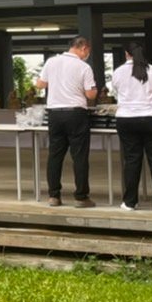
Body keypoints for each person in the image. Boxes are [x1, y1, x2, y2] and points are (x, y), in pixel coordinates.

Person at [35, 36, 98, 208]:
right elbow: (90, 94)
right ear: (83, 48)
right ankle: (81, 197)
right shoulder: (84, 67)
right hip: (76, 114)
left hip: (54, 114)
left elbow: (40, 84)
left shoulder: (51, 62)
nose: (87, 54)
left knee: (55, 155)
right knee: (79, 156)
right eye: (88, 51)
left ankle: (54, 196)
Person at [111, 44, 152, 212]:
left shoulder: (118, 72)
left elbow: (116, 94)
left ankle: (130, 202)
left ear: (126, 54)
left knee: (131, 160)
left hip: (126, 120)